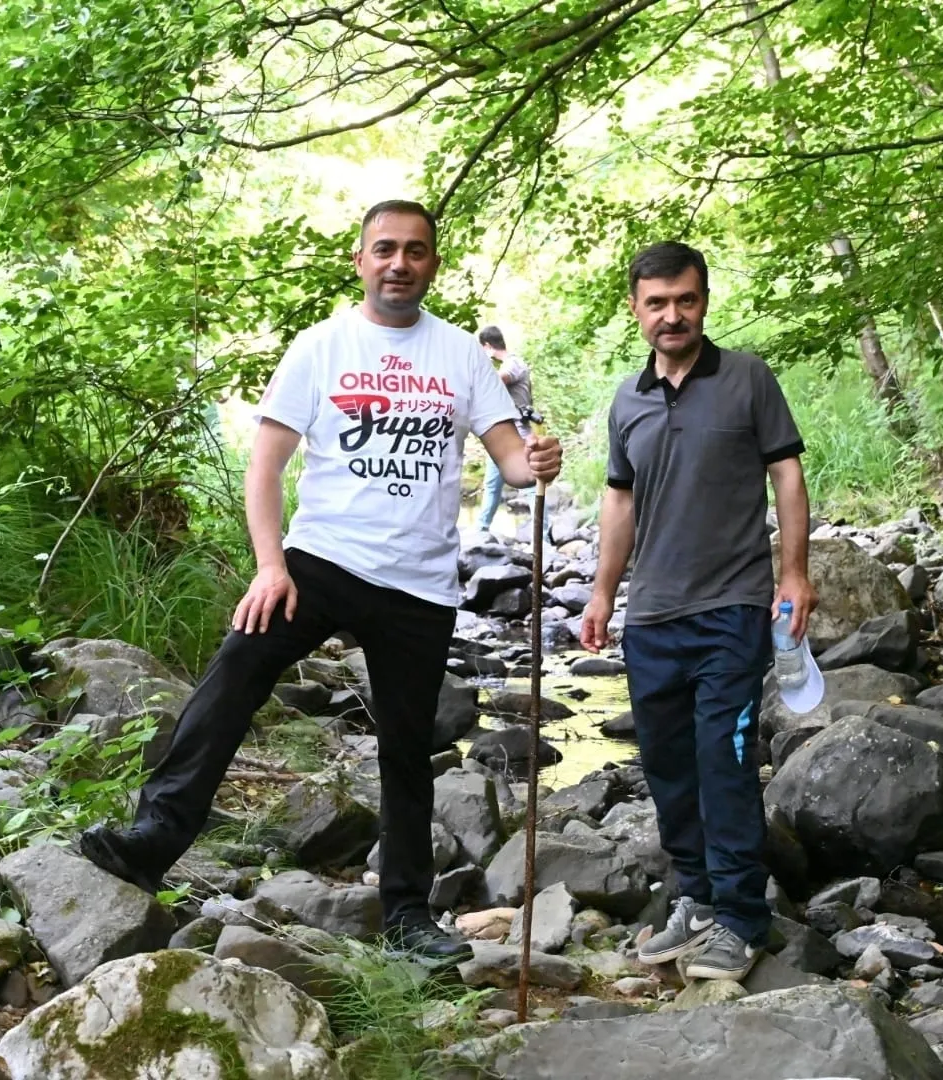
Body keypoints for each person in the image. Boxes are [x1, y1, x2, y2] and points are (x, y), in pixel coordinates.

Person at [79, 200, 563, 959]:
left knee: (407, 748)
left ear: (433, 264)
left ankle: (407, 916)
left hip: (420, 583)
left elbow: (509, 456)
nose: (399, 263)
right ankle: (156, 837)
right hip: (320, 561)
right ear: (360, 260)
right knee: (236, 671)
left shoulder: (462, 356)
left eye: (415, 251)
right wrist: (270, 566)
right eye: (385, 249)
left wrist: (533, 462)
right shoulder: (320, 345)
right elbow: (266, 466)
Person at [579, 240, 816, 981]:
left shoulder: (747, 378)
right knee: (668, 765)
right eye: (657, 303)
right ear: (636, 309)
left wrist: (795, 573)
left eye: (685, 300)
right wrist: (602, 591)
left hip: (732, 609)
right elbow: (620, 498)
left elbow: (786, 474)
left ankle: (742, 917)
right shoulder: (628, 399)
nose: (672, 315)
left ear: (704, 301)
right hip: (652, 615)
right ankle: (698, 898)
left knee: (725, 758)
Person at [474, 325, 534, 534]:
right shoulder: (510, 363)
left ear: (487, 346)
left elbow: (499, 380)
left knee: (531, 487)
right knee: (492, 485)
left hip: (520, 434)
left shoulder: (513, 363)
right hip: (503, 435)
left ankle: (542, 537)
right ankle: (481, 529)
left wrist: (480, 368)